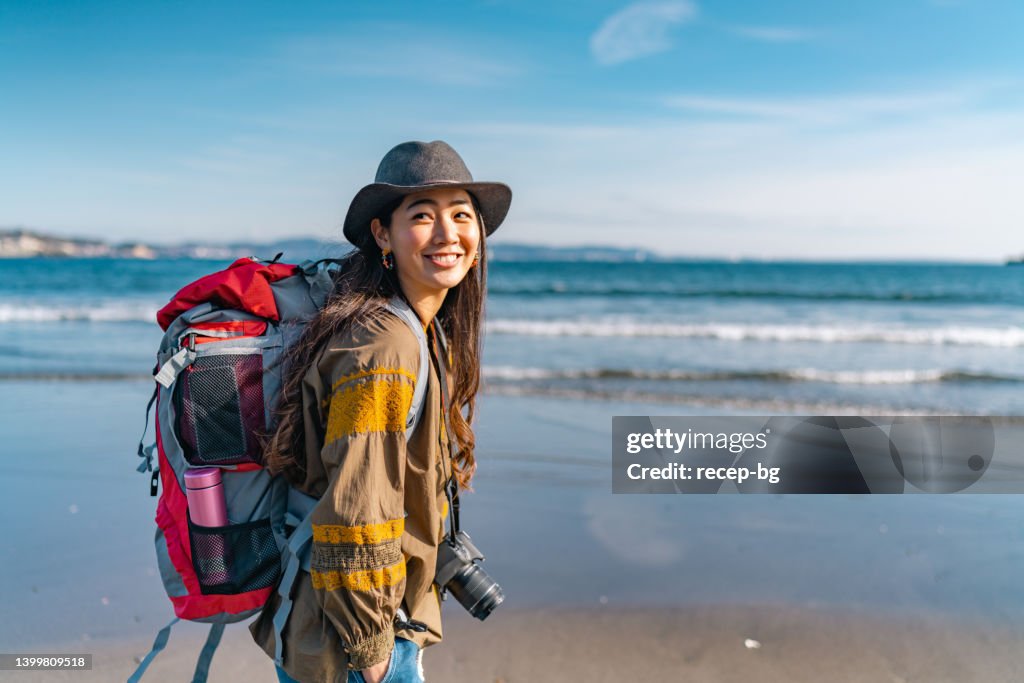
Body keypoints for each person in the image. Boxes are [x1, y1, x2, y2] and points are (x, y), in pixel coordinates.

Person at [248, 140, 512, 683]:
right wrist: (374, 656)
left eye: (462, 215)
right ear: (382, 234)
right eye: (422, 216)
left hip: (361, 626)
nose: (448, 234)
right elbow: (356, 512)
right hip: (355, 646)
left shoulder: (414, 328)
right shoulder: (385, 348)